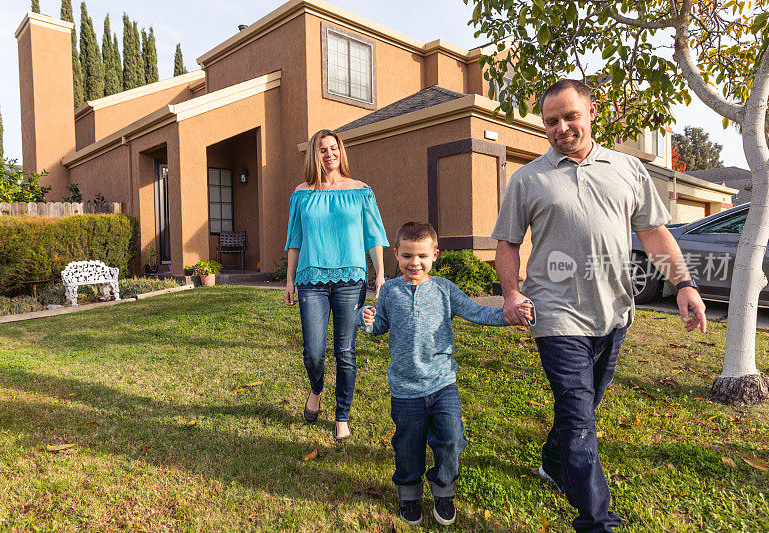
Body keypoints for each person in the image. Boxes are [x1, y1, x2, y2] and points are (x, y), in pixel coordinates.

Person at [492, 79, 707, 532]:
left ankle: (553, 462)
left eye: (570, 116)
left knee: (583, 411)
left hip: (614, 313)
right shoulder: (528, 179)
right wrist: (512, 292)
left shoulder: (628, 168)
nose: (561, 127)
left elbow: (653, 233)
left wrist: (683, 284)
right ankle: (596, 521)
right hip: (555, 315)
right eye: (551, 121)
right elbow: (507, 243)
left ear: (591, 112)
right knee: (578, 417)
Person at [359, 222, 534, 527]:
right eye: (408, 256)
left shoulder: (444, 289)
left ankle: (443, 490)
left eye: (423, 256)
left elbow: (477, 312)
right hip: (405, 388)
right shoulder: (388, 290)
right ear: (396, 255)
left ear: (435, 255)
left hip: (442, 384)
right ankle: (409, 495)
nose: (415, 262)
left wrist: (509, 316)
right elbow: (380, 327)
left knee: (451, 439)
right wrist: (369, 321)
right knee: (408, 446)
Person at [284, 129, 389, 443]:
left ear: (341, 152)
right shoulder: (302, 193)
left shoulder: (360, 191)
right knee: (314, 353)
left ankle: (341, 415)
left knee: (345, 351)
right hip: (311, 280)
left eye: (333, 148)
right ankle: (316, 389)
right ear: (314, 155)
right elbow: (295, 240)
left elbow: (374, 236)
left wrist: (380, 274)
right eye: (322, 149)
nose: (329, 154)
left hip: (350, 280)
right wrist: (289, 280)